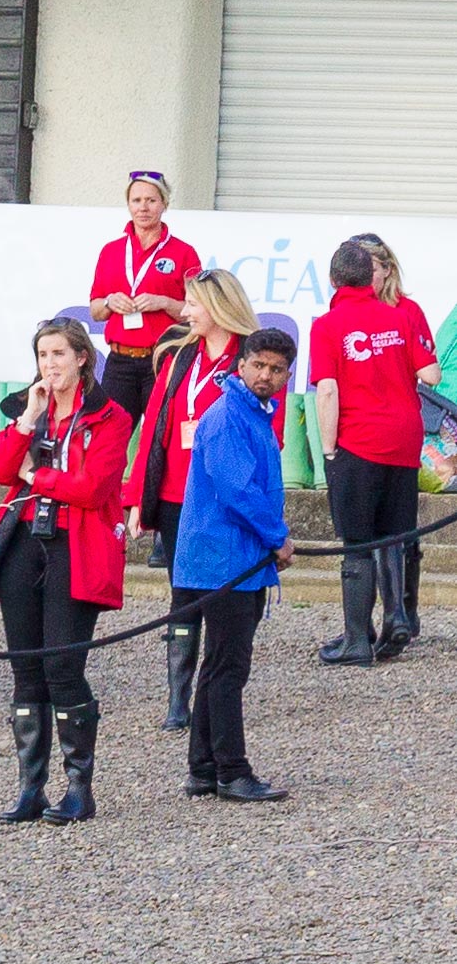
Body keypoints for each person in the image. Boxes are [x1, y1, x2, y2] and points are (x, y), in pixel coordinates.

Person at [0, 317, 131, 827]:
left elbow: (93, 488)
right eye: (43, 356)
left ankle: (79, 788)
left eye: (59, 354)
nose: (50, 365)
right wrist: (26, 422)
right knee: (26, 667)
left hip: (77, 546)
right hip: (25, 540)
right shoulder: (32, 410)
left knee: (63, 666)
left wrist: (38, 476)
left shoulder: (111, 417)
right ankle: (31, 789)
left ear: (82, 357)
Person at [122, 269, 262, 731]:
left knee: (223, 594)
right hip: (175, 492)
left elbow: (268, 431)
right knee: (182, 595)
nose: (185, 312)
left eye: (193, 304)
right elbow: (153, 429)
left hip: (225, 497)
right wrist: (139, 496)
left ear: (218, 307)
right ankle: (178, 699)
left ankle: (217, 687)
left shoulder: (252, 361)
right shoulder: (180, 357)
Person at [175, 329, 298, 803]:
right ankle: (232, 769)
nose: (266, 375)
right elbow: (237, 490)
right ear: (242, 364)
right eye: (259, 366)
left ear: (287, 375)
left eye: (276, 369)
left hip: (231, 557)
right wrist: (277, 537)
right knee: (228, 668)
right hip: (223, 558)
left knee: (219, 666)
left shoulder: (251, 413)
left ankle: (204, 768)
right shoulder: (229, 416)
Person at [309, 241, 438, 666]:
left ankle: (356, 640)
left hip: (359, 439)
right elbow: (429, 374)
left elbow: (327, 390)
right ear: (373, 277)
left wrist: (329, 450)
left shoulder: (327, 325)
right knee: (395, 534)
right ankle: (396, 614)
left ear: (333, 280)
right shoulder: (401, 317)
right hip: (404, 437)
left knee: (356, 540)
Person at [347, 232, 440, 653]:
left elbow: (430, 371)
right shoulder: (345, 309)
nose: (367, 276)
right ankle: (372, 623)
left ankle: (403, 612)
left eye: (373, 267)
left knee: (401, 527)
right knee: (368, 528)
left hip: (398, 424)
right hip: (362, 428)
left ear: (387, 268)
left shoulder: (407, 310)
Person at [87, 170, 202, 425]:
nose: (143, 207)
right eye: (136, 200)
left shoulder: (184, 253)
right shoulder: (111, 251)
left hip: (163, 359)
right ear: (128, 204)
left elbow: (201, 310)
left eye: (151, 200)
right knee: (107, 436)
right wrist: (109, 302)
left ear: (164, 204)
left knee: (158, 440)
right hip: (119, 362)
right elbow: (95, 309)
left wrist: (164, 302)